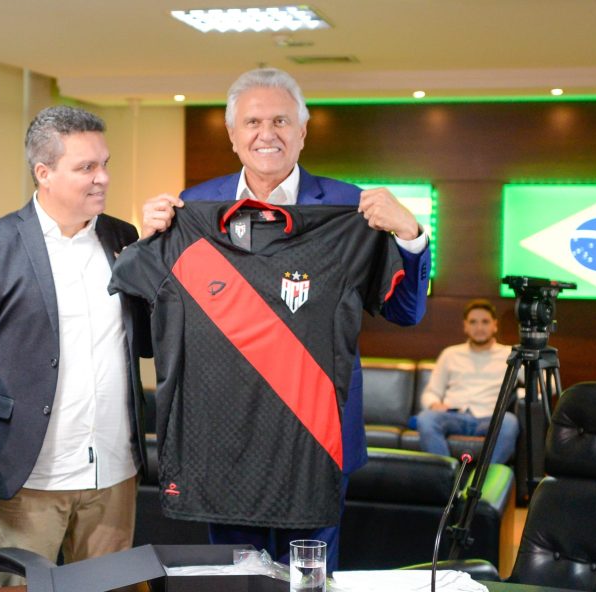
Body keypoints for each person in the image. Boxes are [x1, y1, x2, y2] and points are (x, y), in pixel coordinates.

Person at [140, 67, 431, 572]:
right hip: (222, 433)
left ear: (303, 131)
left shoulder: (349, 207)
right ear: (233, 136)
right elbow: (154, 319)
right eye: (252, 122)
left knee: (310, 575)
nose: (266, 133)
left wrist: (410, 235)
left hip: (318, 433)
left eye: (280, 120)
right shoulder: (196, 208)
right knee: (234, 576)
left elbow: (405, 312)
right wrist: (150, 241)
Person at [0, 105, 151, 575]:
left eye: (105, 163)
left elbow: (145, 340)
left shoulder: (124, 238)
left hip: (114, 472)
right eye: (86, 167)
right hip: (28, 477)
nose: (102, 178)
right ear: (44, 173)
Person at [417, 299, 520, 464]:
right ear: (465, 326)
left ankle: (484, 482)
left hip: (491, 417)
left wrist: (522, 393)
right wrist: (434, 404)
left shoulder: (511, 355)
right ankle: (448, 477)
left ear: (495, 325)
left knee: (510, 422)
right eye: (473, 322)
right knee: (426, 418)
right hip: (454, 415)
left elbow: (545, 384)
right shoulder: (450, 354)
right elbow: (431, 392)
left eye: (485, 322)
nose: (479, 327)